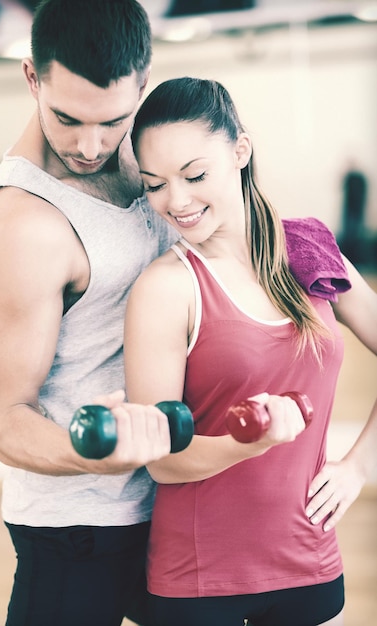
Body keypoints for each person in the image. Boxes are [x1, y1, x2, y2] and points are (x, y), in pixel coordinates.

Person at [124, 76, 377, 626]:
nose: (177, 201)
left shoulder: (308, 247)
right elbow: (162, 461)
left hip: (309, 563)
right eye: (155, 184)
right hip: (197, 579)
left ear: (240, 150)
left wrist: (360, 465)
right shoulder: (166, 287)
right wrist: (251, 442)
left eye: (194, 175)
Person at [0, 1, 179, 625]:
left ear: (143, 82)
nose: (90, 146)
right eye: (67, 118)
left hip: (171, 501)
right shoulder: (24, 222)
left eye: (112, 120)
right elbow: (6, 421)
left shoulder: (144, 155)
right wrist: (98, 455)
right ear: (32, 77)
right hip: (78, 528)